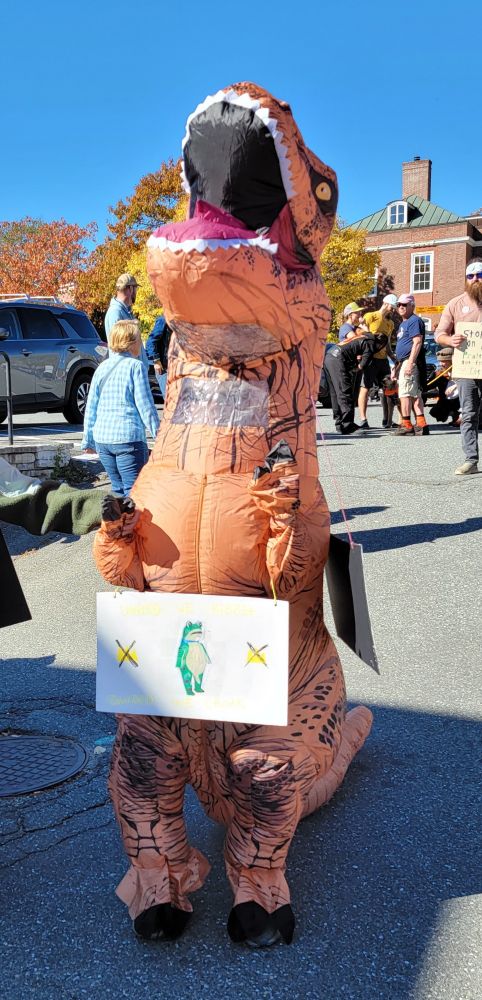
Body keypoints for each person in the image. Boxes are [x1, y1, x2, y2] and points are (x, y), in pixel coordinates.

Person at [92, 83, 373, 948]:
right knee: (138, 767)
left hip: (271, 663)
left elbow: (296, 572)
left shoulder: (298, 326)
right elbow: (125, 573)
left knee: (262, 770)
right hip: (170, 636)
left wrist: (290, 522)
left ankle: (259, 884)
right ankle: (162, 879)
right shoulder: (177, 363)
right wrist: (116, 541)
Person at [81, 320, 159, 496]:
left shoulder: (101, 368)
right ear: (131, 342)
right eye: (139, 338)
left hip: (103, 440)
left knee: (117, 490)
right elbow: (145, 406)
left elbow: (91, 407)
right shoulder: (136, 367)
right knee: (134, 492)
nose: (141, 343)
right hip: (128, 438)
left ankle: (115, 523)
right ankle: (131, 523)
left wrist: (88, 440)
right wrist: (160, 437)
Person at [434, 259, 482, 474]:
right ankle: (471, 460)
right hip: (468, 369)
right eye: (470, 276)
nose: (475, 279)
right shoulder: (455, 303)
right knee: (469, 413)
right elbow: (439, 334)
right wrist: (450, 340)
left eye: (479, 275)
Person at [324, 332, 388, 434]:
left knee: (335, 393)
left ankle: (339, 423)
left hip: (329, 355)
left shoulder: (363, 336)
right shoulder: (370, 343)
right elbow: (362, 365)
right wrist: (355, 368)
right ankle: (348, 424)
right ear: (381, 344)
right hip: (338, 359)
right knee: (345, 392)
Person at [358, 295, 398, 428]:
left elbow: (386, 343)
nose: (393, 311)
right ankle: (363, 420)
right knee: (365, 388)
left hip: (383, 361)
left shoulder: (390, 323)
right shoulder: (371, 316)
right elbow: (359, 334)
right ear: (386, 304)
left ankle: (387, 420)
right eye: (392, 308)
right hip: (370, 359)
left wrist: (392, 356)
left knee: (389, 388)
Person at [392, 294, 429, 436]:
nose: (401, 307)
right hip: (404, 361)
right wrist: (396, 368)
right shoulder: (404, 323)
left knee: (405, 394)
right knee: (414, 394)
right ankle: (421, 424)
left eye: (404, 304)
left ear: (412, 305)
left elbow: (417, 342)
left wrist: (410, 363)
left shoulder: (414, 321)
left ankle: (406, 425)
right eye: (399, 304)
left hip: (410, 361)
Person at [145, 314, 172, 400]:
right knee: (169, 398)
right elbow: (150, 342)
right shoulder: (163, 320)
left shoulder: (180, 320)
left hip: (174, 366)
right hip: (163, 367)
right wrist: (156, 360)